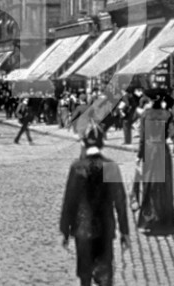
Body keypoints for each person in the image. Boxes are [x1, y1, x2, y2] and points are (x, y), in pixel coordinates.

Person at [60, 122, 130, 286]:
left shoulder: (77, 168)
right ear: (102, 143)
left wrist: (65, 229)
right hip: (105, 228)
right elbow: (120, 200)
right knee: (105, 272)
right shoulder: (110, 166)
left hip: (82, 228)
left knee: (85, 274)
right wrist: (124, 231)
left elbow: (70, 200)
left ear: (83, 143)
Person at [136, 95, 174, 234]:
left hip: (149, 149)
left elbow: (142, 137)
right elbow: (173, 132)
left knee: (149, 184)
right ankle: (164, 220)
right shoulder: (167, 114)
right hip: (162, 149)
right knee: (163, 185)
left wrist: (139, 155)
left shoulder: (145, 115)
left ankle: (148, 220)